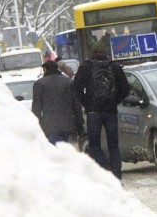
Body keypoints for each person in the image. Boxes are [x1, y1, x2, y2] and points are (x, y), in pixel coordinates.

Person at [74, 44, 130, 179]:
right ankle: (117, 174)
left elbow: (76, 89)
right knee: (113, 145)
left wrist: (86, 103)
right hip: (111, 111)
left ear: (91, 54)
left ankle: (106, 168)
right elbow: (125, 88)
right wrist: (115, 100)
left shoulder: (86, 67)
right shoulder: (114, 67)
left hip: (93, 112)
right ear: (106, 54)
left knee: (94, 145)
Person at [31, 60, 84, 146]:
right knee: (70, 152)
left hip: (50, 125)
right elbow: (77, 105)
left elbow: (36, 107)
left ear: (45, 69)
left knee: (56, 152)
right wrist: (80, 124)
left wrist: (37, 125)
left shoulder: (39, 84)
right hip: (69, 124)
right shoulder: (69, 82)